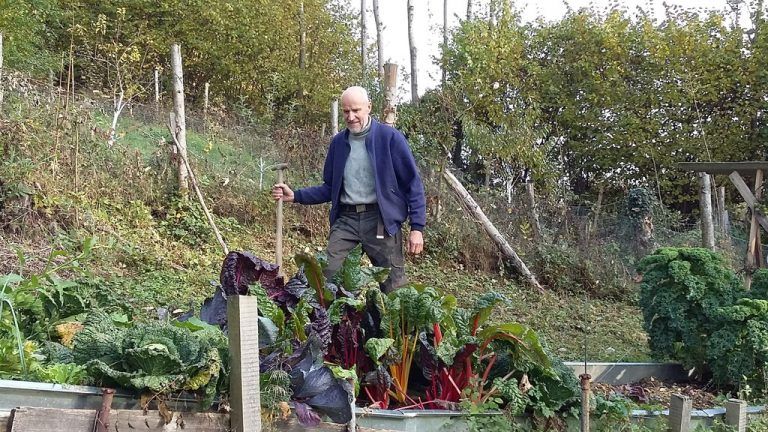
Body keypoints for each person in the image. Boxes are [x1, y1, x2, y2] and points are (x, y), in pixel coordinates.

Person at [272, 86, 426, 293]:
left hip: (381, 221)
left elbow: (412, 184)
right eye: (346, 111)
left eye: (356, 110)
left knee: (394, 286)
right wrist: (297, 195)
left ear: (368, 107)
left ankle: (395, 325)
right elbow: (329, 188)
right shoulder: (338, 144)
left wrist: (417, 228)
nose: (351, 117)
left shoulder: (390, 139)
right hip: (347, 221)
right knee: (327, 278)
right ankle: (331, 324)